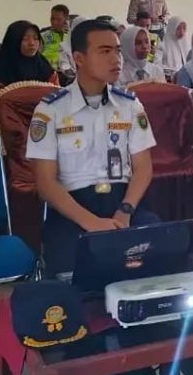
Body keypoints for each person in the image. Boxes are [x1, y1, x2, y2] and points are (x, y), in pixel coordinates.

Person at [27, 20, 160, 276]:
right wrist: (91, 223)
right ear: (78, 58)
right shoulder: (50, 110)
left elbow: (143, 169)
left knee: (159, 254)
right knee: (72, 273)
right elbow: (45, 183)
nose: (116, 59)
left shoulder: (130, 105)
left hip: (123, 204)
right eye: (105, 51)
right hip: (73, 211)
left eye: (118, 50)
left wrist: (124, 212)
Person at [0, 20, 57, 89]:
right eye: (25, 39)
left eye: (36, 38)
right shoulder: (2, 71)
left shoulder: (45, 67)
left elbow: (57, 91)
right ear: (13, 41)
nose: (32, 43)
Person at [40, 4, 71, 71]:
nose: (54, 22)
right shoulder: (43, 35)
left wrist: (67, 34)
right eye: (52, 19)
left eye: (58, 19)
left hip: (68, 71)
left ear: (66, 19)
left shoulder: (72, 35)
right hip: (48, 70)